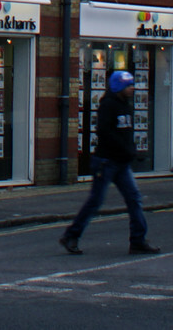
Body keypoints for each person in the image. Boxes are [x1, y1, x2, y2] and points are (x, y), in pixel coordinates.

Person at [60, 69, 159, 255]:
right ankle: (71, 236)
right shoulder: (108, 105)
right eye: (128, 85)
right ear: (118, 86)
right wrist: (125, 149)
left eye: (132, 84)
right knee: (95, 201)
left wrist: (130, 150)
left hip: (121, 163)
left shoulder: (125, 104)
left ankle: (138, 241)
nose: (132, 88)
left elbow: (125, 132)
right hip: (106, 162)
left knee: (134, 199)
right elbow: (104, 132)